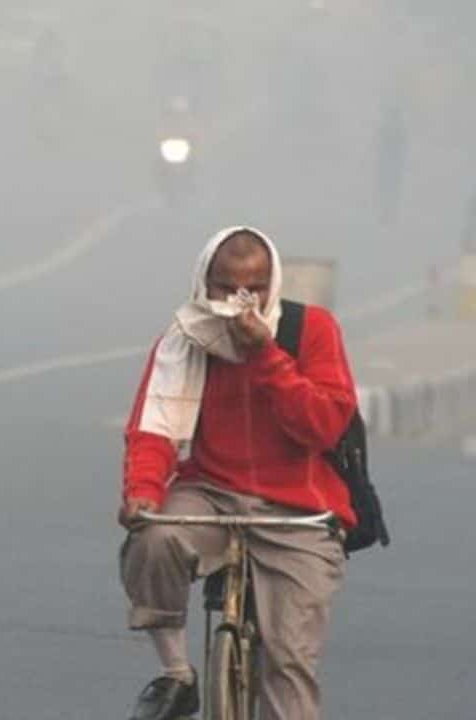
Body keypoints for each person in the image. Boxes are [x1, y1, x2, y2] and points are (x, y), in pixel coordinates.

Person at [118, 227, 357, 720]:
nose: (239, 301)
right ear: (204, 284)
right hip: (211, 491)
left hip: (299, 507)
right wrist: (142, 493)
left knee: (289, 661)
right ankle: (176, 674)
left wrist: (266, 356)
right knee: (153, 539)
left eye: (255, 287)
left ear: (273, 285)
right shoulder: (185, 339)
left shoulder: (311, 330)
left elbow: (325, 426)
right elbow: (154, 429)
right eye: (226, 287)